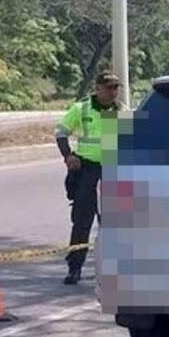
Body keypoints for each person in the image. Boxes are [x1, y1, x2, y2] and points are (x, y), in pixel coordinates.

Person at [56, 71, 122, 285]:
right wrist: (68, 156)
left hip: (114, 168)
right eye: (109, 87)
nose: (114, 91)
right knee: (82, 220)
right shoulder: (81, 108)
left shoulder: (121, 111)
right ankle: (75, 267)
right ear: (98, 88)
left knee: (116, 220)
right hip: (87, 167)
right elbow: (61, 132)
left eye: (116, 87)